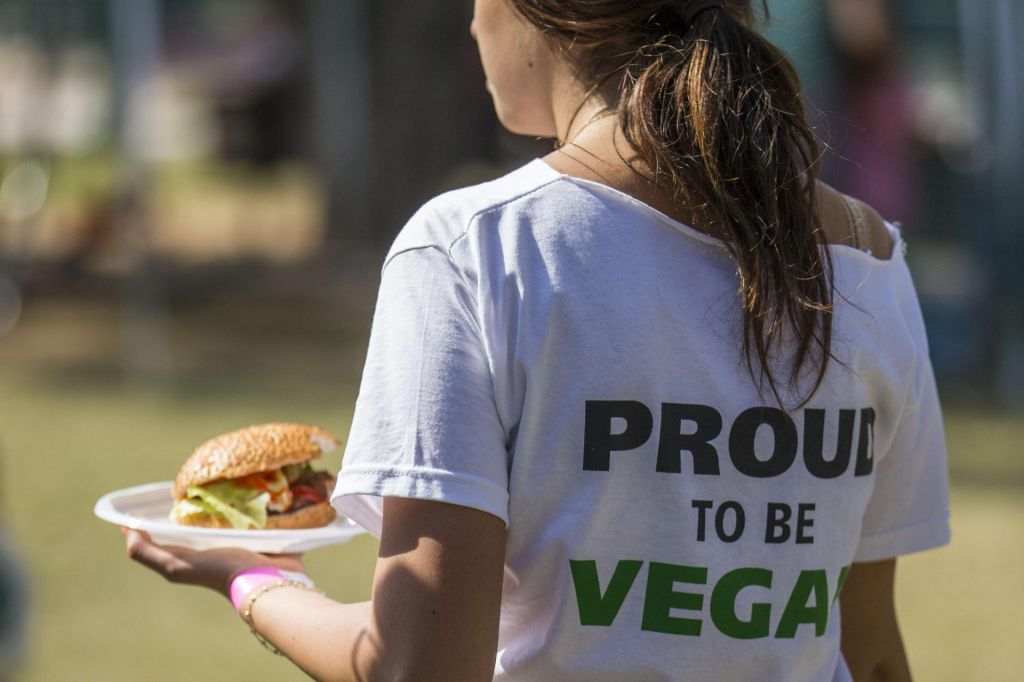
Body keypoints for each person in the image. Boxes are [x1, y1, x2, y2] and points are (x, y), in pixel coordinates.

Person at [122, 1, 951, 680]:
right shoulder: (869, 256)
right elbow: (868, 654)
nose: (470, 22)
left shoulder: (476, 249)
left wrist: (254, 577)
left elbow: (419, 668)